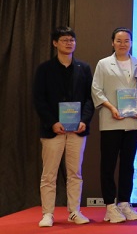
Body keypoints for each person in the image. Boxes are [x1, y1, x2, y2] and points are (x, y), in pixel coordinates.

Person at [33, 27, 95, 227]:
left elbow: (90, 98)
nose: (69, 43)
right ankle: (47, 214)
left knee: (75, 173)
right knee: (49, 174)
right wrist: (52, 122)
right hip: (53, 130)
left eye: (72, 40)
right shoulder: (44, 69)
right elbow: (39, 99)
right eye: (64, 40)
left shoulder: (84, 68)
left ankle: (74, 211)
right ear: (55, 43)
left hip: (78, 130)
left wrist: (84, 120)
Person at [90, 27, 137, 223]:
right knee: (108, 164)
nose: (123, 44)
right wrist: (111, 107)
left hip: (133, 121)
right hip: (111, 119)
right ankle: (110, 206)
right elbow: (96, 90)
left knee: (128, 164)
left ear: (131, 43)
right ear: (112, 42)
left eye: (126, 40)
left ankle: (124, 203)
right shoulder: (104, 64)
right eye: (119, 40)